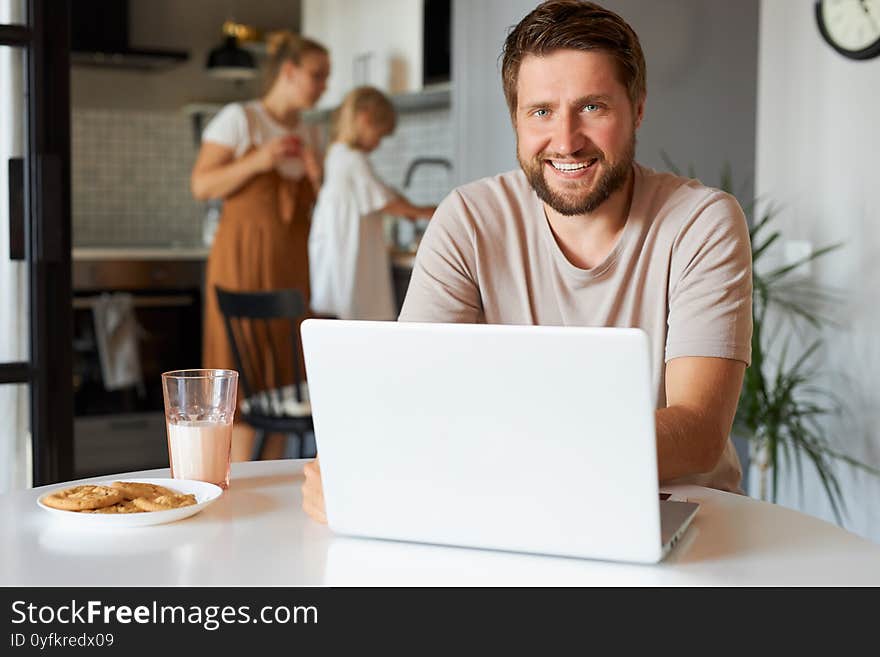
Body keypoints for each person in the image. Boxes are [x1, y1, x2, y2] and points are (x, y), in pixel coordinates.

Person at [302, 0, 752, 524]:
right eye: (541, 111)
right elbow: (413, 403)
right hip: (512, 511)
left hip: (679, 515)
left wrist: (457, 458)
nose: (565, 140)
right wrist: (367, 470)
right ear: (516, 117)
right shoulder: (469, 219)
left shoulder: (702, 222)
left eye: (593, 107)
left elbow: (696, 434)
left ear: (638, 108)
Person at [191, 31, 330, 461]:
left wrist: (314, 173)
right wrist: (259, 160)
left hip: (290, 269)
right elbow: (201, 184)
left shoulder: (313, 132)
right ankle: (232, 489)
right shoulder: (241, 119)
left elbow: (316, 207)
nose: (324, 85)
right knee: (243, 381)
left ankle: (266, 488)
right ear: (288, 72)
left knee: (282, 384)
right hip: (242, 265)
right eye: (318, 75)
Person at [308, 86, 436, 321]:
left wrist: (407, 207)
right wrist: (429, 212)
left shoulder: (337, 154)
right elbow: (385, 202)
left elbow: (382, 195)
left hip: (333, 265)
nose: (378, 144)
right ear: (364, 117)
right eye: (379, 134)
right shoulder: (352, 159)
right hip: (347, 265)